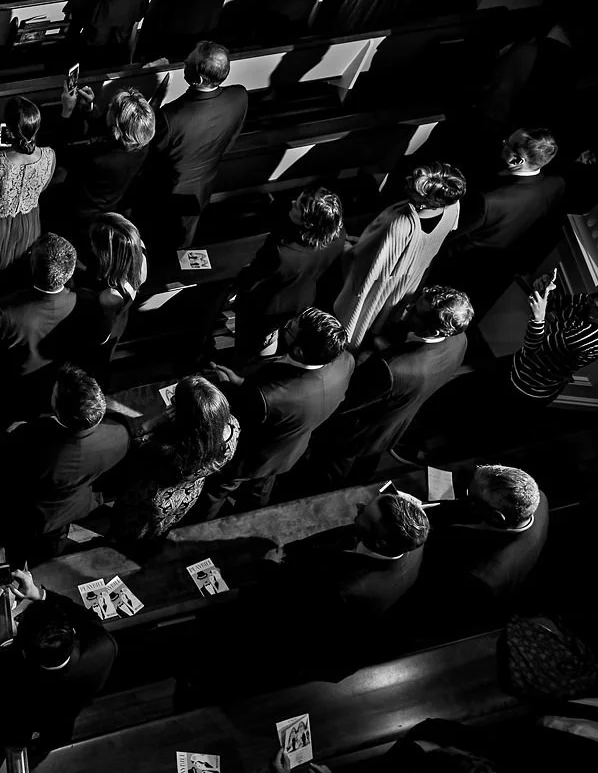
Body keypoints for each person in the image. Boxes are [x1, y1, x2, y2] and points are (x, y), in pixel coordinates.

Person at [303, 285, 472, 486]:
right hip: (392, 427)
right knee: (363, 469)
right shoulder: (459, 340)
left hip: (355, 434)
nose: (408, 307)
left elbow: (348, 401)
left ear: (433, 330)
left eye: (415, 311)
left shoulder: (391, 369)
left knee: (327, 475)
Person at [196, 307, 353, 518]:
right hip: (286, 452)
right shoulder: (345, 361)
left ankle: (202, 523)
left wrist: (225, 386)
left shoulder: (268, 398)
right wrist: (242, 383)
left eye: (289, 329)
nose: (283, 327)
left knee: (216, 492)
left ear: (300, 351)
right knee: (258, 494)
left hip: (248, 457)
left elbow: (243, 414)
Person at [0, 364, 130, 564]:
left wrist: (10, 433)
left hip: (32, 514)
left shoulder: (34, 445)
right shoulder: (121, 434)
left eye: (54, 393)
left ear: (59, 410)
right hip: (73, 504)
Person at [0, 567, 117, 765]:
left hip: (9, 725)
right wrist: (39, 594)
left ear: (23, 649)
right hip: (58, 726)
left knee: (0, 746)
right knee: (42, 747)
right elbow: (87, 618)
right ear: (72, 633)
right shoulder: (104, 647)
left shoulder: (9, 673)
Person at [333, 162, 466, 347]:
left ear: (426, 201)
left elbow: (364, 264)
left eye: (414, 185)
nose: (407, 180)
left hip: (382, 280)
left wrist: (344, 244)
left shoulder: (401, 224)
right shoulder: (453, 206)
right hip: (409, 278)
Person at [435, 128, 565, 308]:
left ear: (517, 160)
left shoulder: (488, 200)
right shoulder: (556, 185)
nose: (502, 143)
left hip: (458, 266)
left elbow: (448, 233)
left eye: (507, 144)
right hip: (498, 270)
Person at [141, 41, 249, 247]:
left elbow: (151, 157)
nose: (184, 61)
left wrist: (153, 107)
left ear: (198, 79)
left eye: (188, 62)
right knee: (184, 242)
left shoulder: (171, 117)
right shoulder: (239, 96)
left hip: (166, 193)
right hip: (201, 188)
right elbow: (231, 138)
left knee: (156, 242)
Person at [109, 374, 240, 543]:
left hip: (150, 498)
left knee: (131, 531)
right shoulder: (232, 429)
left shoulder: (168, 451)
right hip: (187, 494)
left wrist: (157, 421)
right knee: (159, 531)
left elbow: (135, 443)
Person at [0, 233, 90, 426]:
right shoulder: (85, 303)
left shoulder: (3, 312)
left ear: (32, 265)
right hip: (54, 392)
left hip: (9, 392)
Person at [232, 187, 348, 359]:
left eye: (297, 206)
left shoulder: (281, 253)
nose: (292, 203)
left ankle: (246, 361)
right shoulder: (338, 235)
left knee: (251, 342)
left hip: (268, 307)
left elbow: (250, 280)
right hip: (302, 299)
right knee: (271, 336)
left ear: (308, 223)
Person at [283, 488, 430, 621]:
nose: (359, 505)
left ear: (379, 543)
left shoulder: (344, 589)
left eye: (364, 513)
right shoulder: (412, 541)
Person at [424, 464, 550, 609]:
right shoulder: (538, 498)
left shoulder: (479, 577)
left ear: (497, 517)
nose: (466, 497)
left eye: (471, 496)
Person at [0, 96, 56, 297]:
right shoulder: (50, 155)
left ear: (8, 130)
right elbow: (43, 187)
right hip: (29, 223)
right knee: (15, 271)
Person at [508, 271, 598, 405]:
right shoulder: (591, 301)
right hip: (520, 363)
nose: (593, 295)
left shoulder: (588, 338)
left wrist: (538, 319)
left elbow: (533, 348)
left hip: (528, 386)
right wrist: (543, 289)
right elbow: (555, 303)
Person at [52, 84, 156, 235]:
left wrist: (67, 111)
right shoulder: (141, 145)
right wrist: (90, 108)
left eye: (111, 108)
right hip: (109, 205)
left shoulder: (98, 159)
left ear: (116, 128)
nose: (108, 106)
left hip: (79, 212)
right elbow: (106, 131)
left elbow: (61, 153)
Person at [83, 212, 148, 374]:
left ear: (106, 253)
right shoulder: (139, 254)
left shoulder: (110, 296)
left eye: (93, 243)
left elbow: (102, 336)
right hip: (121, 318)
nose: (91, 245)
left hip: (105, 334)